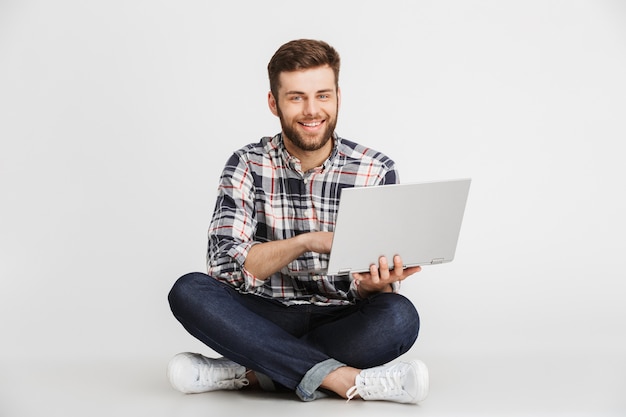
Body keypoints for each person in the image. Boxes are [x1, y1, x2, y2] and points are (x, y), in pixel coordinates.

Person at [167, 39, 429, 404]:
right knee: (189, 291)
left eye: (322, 95)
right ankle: (344, 379)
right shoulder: (246, 163)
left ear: (338, 96)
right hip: (262, 315)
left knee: (399, 317)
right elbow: (224, 268)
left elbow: (375, 289)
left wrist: (374, 286)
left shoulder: (376, 169)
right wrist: (308, 241)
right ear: (274, 102)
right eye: (296, 98)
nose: (311, 111)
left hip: (340, 316)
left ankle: (250, 371)